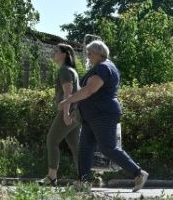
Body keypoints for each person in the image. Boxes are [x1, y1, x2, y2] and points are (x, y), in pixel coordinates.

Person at [59, 40, 148, 192]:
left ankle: (138, 173)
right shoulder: (103, 67)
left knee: (108, 148)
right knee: (85, 148)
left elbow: (89, 90)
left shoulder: (104, 67)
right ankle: (83, 181)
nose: (88, 56)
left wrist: (68, 101)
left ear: (100, 53)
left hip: (102, 114)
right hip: (92, 116)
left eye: (90, 53)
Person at [39, 44, 81, 185]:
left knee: (52, 140)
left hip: (69, 111)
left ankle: (52, 177)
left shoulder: (64, 70)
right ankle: (85, 177)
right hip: (77, 113)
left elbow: (68, 93)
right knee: (76, 147)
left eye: (56, 51)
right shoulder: (72, 70)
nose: (53, 53)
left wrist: (66, 113)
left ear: (65, 54)